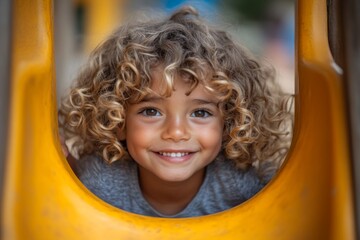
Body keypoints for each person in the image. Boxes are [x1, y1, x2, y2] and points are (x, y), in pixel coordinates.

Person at [58, 6, 293, 218]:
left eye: (200, 113)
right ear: (117, 119)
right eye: (151, 111)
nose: (176, 132)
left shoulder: (241, 185)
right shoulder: (104, 179)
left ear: (230, 123)